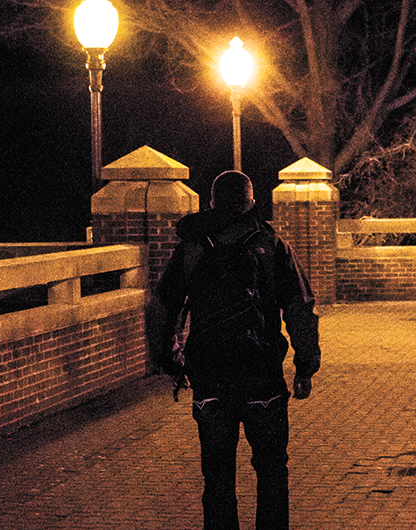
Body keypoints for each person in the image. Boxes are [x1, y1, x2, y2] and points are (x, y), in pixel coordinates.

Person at [147, 170, 321, 530]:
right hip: (263, 379)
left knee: (217, 476)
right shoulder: (272, 246)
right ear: (251, 202)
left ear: (211, 203)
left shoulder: (192, 248)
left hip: (210, 379)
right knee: (272, 471)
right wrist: (305, 366)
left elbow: (162, 309)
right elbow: (300, 308)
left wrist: (171, 360)